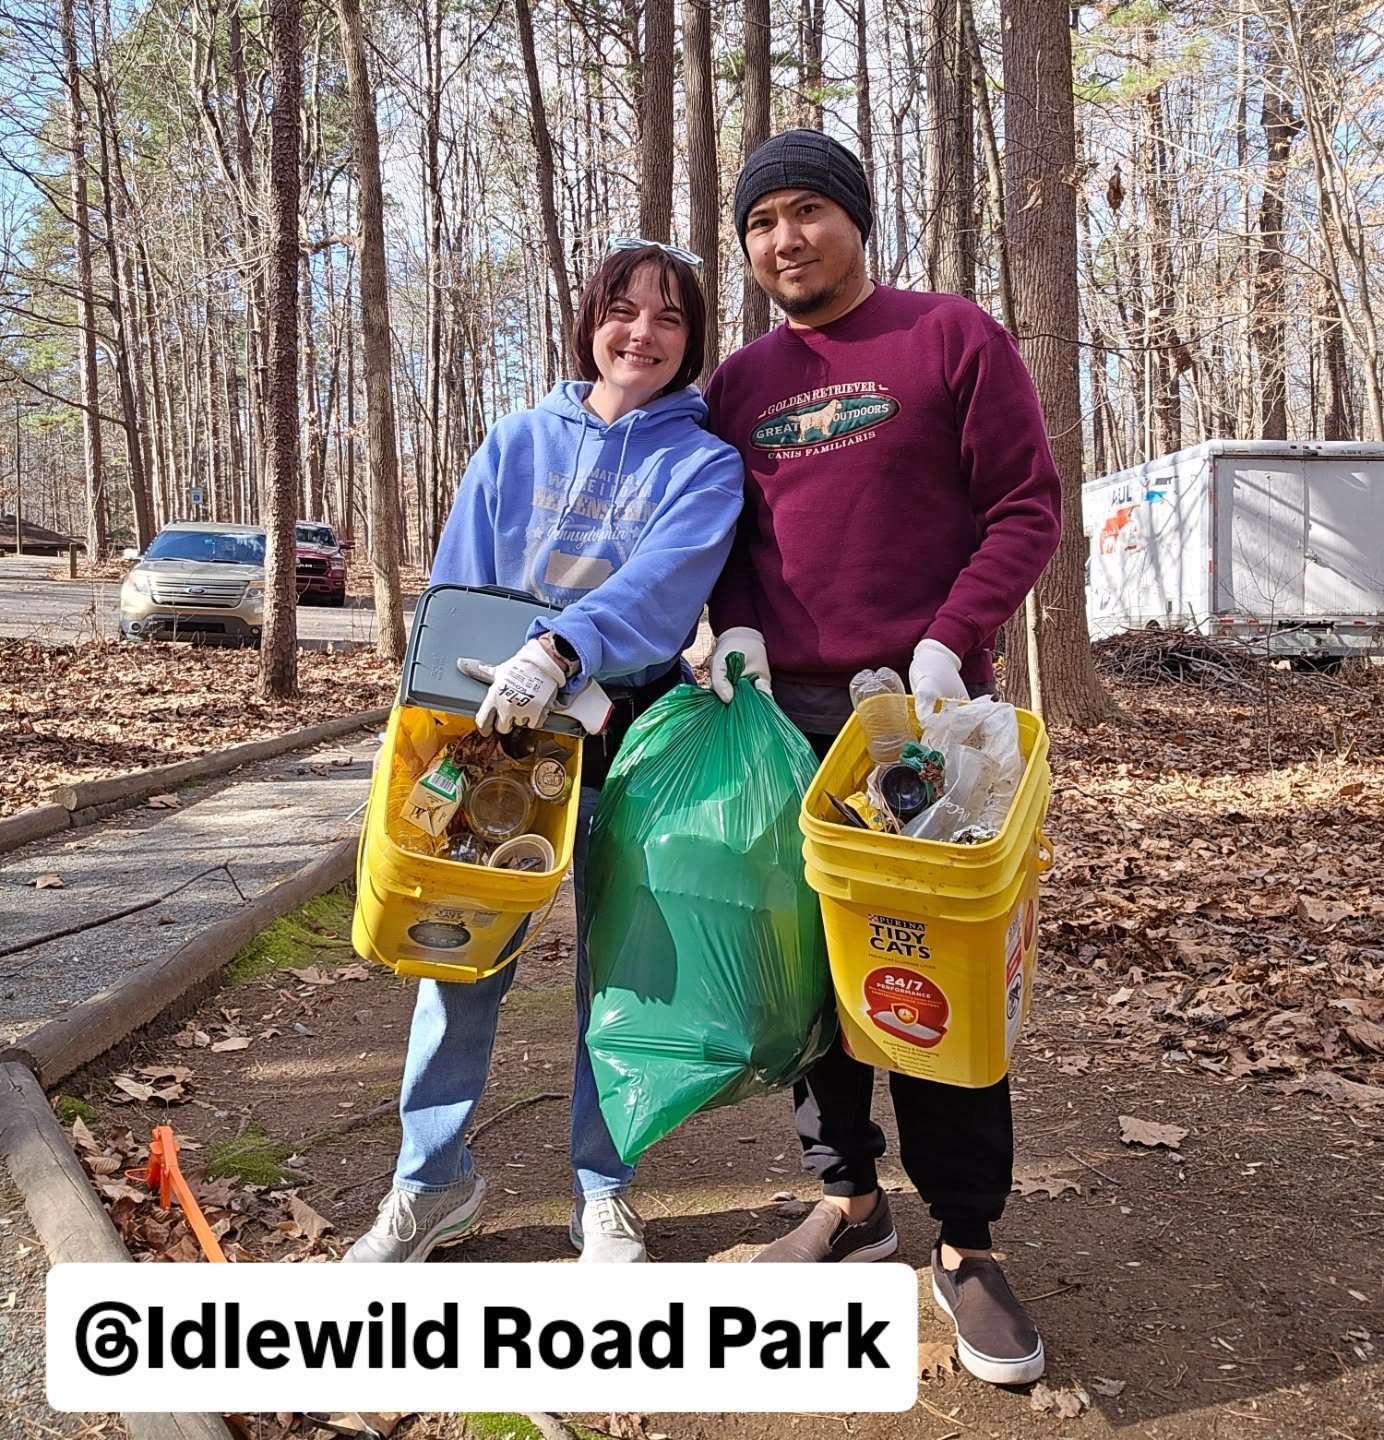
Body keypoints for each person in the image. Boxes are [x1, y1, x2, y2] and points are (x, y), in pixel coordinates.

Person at [703, 129, 1062, 1385]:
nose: (783, 239)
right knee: (811, 977)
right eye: (760, 223)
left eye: (806, 211)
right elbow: (727, 536)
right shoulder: (740, 383)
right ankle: (849, 1200)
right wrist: (736, 625)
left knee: (933, 977)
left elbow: (1028, 505)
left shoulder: (949, 336)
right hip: (787, 725)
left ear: (856, 219)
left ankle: (966, 1243)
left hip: (925, 720)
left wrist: (949, 642)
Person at [345, 241, 743, 1266]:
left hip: (627, 735)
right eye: (623, 310)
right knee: (456, 957)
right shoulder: (517, 441)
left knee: (617, 972)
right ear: (590, 321)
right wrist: (438, 716)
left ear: (691, 340)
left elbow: (665, 586)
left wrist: (570, 658)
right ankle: (430, 1180)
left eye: (667, 318)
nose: (641, 335)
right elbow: (461, 584)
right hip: (498, 734)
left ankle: (603, 1191)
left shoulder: (702, 462)